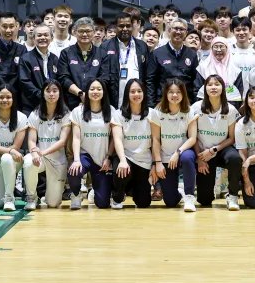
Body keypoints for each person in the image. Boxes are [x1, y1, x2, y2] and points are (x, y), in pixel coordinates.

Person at [191, 75, 242, 210]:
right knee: (204, 200)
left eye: (217, 84)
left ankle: (232, 196)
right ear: (205, 88)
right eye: (210, 84)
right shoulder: (196, 108)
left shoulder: (230, 109)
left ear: (223, 88)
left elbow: (232, 138)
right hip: (203, 152)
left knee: (235, 158)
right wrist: (199, 158)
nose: (213, 87)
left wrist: (214, 150)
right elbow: (192, 136)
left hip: (221, 149)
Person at [68, 80, 120, 210]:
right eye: (92, 89)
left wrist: (108, 157)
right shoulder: (77, 111)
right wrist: (76, 160)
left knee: (102, 204)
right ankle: (75, 194)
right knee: (74, 171)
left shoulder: (111, 111)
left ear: (104, 92)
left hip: (102, 159)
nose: (95, 92)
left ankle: (95, 192)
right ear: (86, 91)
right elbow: (76, 137)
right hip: (84, 156)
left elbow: (115, 137)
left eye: (99, 89)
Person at [148, 79, 198, 211]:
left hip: (183, 152)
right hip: (164, 157)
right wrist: (157, 162)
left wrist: (178, 152)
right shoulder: (157, 111)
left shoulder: (189, 110)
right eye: (171, 92)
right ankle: (179, 194)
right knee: (170, 202)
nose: (175, 95)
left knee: (187, 158)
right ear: (165, 93)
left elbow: (192, 138)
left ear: (183, 94)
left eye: (178, 92)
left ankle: (189, 197)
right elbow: (156, 139)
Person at [111, 78, 154, 209]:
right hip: (126, 158)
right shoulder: (118, 114)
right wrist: (123, 160)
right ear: (127, 95)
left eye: (139, 91)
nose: (136, 94)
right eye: (132, 91)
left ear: (144, 93)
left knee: (144, 203)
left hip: (144, 161)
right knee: (122, 171)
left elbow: (157, 141)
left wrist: (154, 164)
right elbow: (117, 139)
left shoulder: (152, 114)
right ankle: (117, 196)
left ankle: (131, 189)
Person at [57, 17, 111, 110]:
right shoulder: (66, 53)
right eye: (81, 31)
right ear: (74, 32)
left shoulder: (102, 54)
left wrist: (91, 94)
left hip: (96, 100)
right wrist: (80, 93)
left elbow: (104, 78)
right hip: (71, 102)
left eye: (88, 31)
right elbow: (63, 78)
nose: (85, 34)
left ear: (93, 32)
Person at [145, 18, 199, 106]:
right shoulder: (157, 53)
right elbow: (150, 81)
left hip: (185, 103)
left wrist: (194, 104)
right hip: (162, 102)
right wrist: (151, 105)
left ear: (186, 33)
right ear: (169, 30)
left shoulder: (192, 55)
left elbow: (195, 82)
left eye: (182, 29)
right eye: (176, 28)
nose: (178, 32)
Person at [101, 13, 151, 108]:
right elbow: (104, 76)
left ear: (132, 27)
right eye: (121, 26)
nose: (125, 29)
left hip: (138, 97)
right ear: (115, 27)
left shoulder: (142, 46)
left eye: (128, 26)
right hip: (114, 99)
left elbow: (147, 75)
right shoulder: (105, 47)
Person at [18, 24, 60, 114]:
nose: (42, 37)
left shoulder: (54, 58)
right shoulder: (26, 58)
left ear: (52, 38)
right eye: (39, 35)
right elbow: (24, 81)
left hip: (51, 104)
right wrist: (42, 95)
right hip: (31, 106)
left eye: (46, 35)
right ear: (33, 38)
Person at [196, 37, 244, 104]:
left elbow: (237, 94)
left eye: (221, 47)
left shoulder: (235, 70)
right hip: (207, 108)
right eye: (215, 47)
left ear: (227, 49)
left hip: (229, 109)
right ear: (211, 49)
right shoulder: (203, 68)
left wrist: (228, 108)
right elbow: (197, 90)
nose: (218, 50)